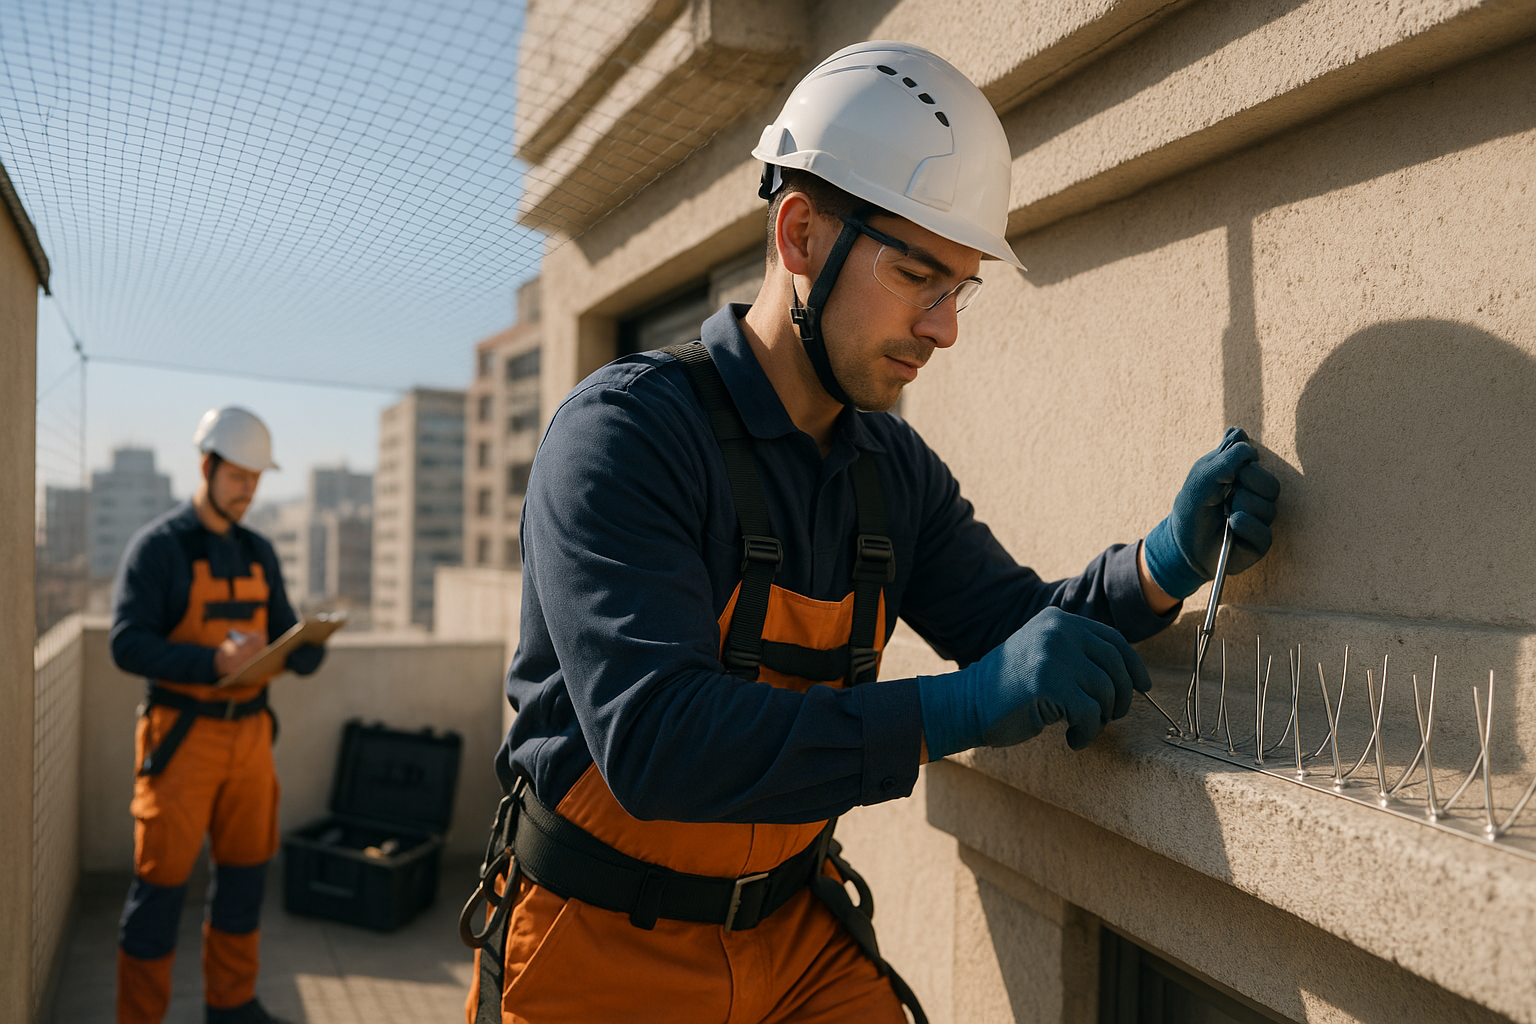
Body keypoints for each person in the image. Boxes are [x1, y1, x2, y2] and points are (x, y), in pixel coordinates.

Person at [461, 41, 1280, 1024]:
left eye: (958, 287)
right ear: (801, 234)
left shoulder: (892, 471)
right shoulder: (627, 435)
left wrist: (1167, 560)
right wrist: (956, 709)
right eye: (916, 274)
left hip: (793, 934)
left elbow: (1019, 637)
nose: (944, 327)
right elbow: (657, 741)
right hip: (596, 950)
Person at [113, 406, 324, 1024]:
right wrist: (211, 661)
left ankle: (231, 1009)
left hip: (251, 739)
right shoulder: (158, 548)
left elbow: (282, 629)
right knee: (158, 891)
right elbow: (126, 643)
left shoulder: (259, 551)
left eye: (256, 479)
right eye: (238, 477)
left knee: (244, 879)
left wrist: (307, 647)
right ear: (206, 467)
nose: (248, 491)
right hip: (182, 740)